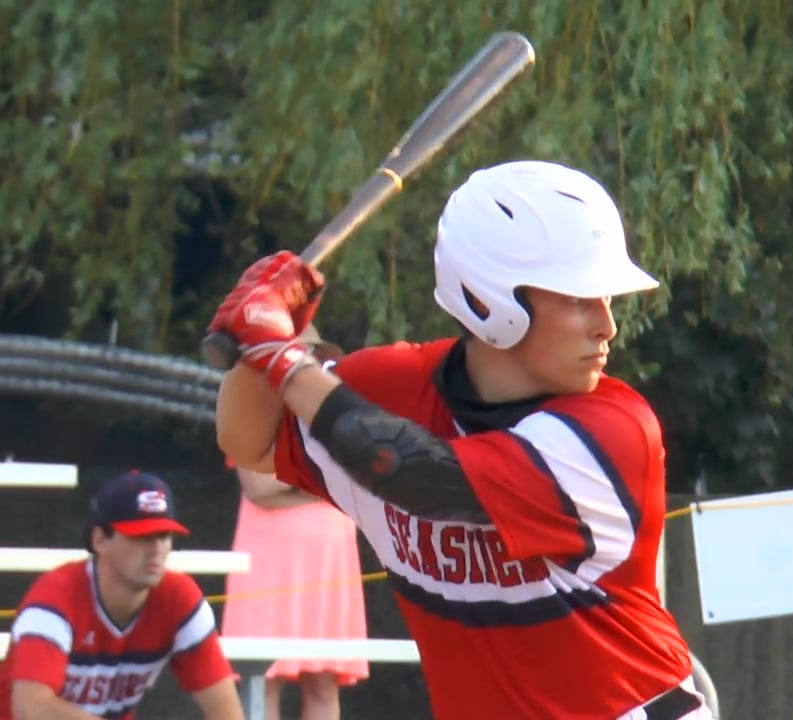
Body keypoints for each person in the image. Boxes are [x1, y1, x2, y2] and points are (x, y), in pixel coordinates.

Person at [212, 160, 709, 719]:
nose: (606, 325)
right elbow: (248, 441)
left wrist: (282, 356)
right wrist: (257, 344)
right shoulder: (390, 388)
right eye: (576, 299)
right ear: (492, 300)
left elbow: (418, 474)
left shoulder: (613, 431)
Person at [0, 470, 243, 720]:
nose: (156, 549)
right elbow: (32, 710)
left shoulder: (180, 600)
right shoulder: (54, 600)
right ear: (99, 539)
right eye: (142, 536)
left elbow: (226, 713)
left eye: (164, 536)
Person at [220, 326, 369, 720]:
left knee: (324, 679)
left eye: (303, 353)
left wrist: (298, 480)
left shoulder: (339, 410)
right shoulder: (252, 409)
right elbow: (257, 486)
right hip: (270, 557)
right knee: (263, 676)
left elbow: (360, 477)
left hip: (329, 557)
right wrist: (323, 480)